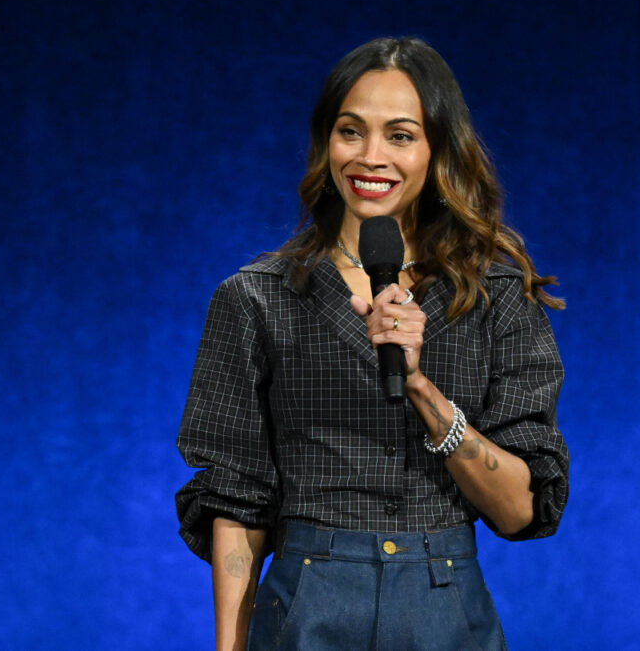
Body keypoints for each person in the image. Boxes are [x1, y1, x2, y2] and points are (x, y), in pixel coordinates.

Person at [176, 36, 568, 651]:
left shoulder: (494, 296)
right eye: (351, 131)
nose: (371, 157)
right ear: (325, 143)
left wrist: (421, 388)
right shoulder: (257, 298)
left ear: (438, 150)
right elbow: (237, 502)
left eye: (400, 135)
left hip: (444, 608)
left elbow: (520, 510)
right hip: (307, 608)